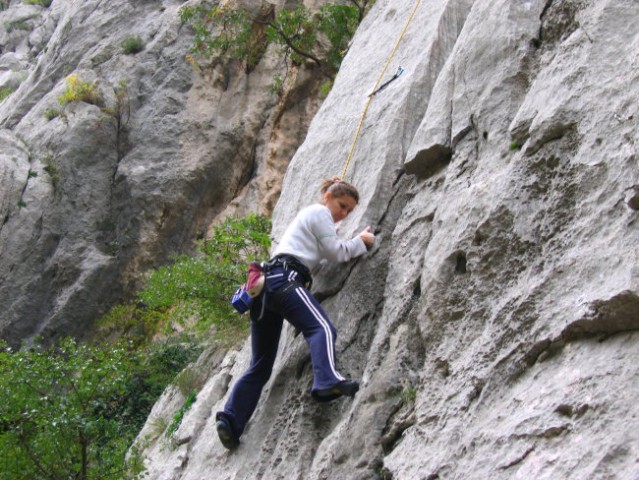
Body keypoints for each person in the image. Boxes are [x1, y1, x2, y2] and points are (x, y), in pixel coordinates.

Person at [215, 176, 376, 449]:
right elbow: (337, 253)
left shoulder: (312, 222)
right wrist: (362, 241)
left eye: (349, 210)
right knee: (321, 328)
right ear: (328, 197)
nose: (344, 213)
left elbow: (324, 253)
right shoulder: (319, 212)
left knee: (261, 364)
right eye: (343, 205)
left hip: (265, 290)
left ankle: (230, 421)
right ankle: (327, 380)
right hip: (284, 280)